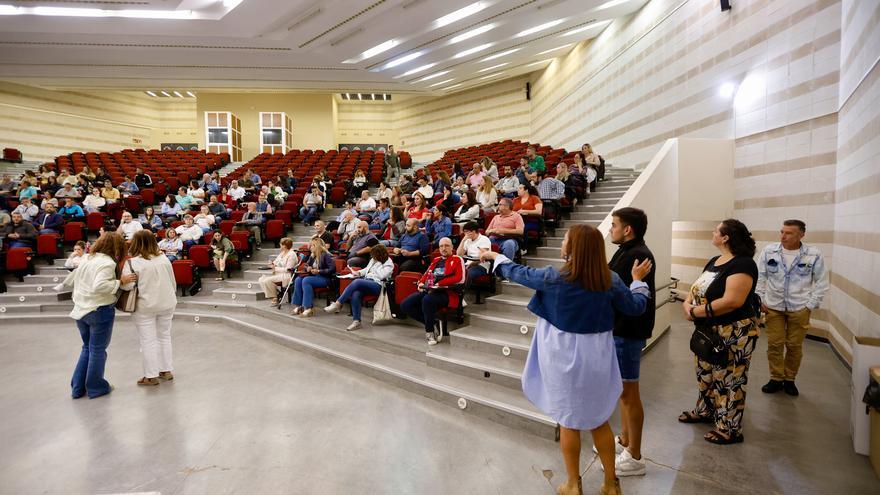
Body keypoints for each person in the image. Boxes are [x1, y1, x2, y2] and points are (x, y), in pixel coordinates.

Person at [481, 224, 652, 495]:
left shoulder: (554, 277)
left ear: (573, 249)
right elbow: (636, 306)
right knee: (599, 420)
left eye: (565, 240)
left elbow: (518, 272)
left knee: (569, 422)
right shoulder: (610, 280)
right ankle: (611, 484)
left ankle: (573, 484)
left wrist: (495, 258)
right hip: (597, 358)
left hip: (562, 359)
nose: (562, 243)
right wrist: (639, 281)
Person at [679, 219, 759, 445]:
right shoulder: (715, 261)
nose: (713, 233)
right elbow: (697, 289)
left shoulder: (743, 264)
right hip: (708, 329)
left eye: (716, 231)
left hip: (734, 331)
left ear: (725, 237)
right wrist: (687, 305)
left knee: (730, 379)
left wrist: (696, 312)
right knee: (706, 374)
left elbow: (733, 301)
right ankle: (706, 410)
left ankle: (729, 428)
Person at [604, 207, 656, 477]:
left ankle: (635, 455)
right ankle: (625, 440)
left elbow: (616, 291)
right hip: (619, 328)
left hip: (627, 330)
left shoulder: (637, 254)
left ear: (627, 229)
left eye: (614, 225)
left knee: (629, 393)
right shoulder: (625, 251)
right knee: (622, 392)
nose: (610, 229)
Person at [756, 219, 828, 396]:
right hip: (773, 307)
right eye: (782, 232)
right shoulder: (769, 251)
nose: (783, 236)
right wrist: (760, 299)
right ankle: (776, 378)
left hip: (800, 308)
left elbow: (822, 282)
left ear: (801, 235)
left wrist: (810, 305)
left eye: (788, 233)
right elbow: (760, 277)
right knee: (775, 344)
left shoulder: (813, 254)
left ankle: (789, 380)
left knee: (794, 346)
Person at [61, 232, 135, 399]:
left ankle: (77, 388)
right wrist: (120, 282)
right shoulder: (107, 263)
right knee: (97, 350)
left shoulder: (87, 258)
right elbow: (99, 286)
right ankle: (96, 388)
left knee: (87, 348)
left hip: (81, 309)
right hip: (98, 310)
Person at [120, 230, 177, 386]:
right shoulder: (164, 258)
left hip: (145, 306)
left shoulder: (132, 263)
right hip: (167, 303)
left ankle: (150, 376)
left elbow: (128, 286)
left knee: (148, 341)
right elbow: (173, 281)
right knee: (164, 336)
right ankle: (166, 370)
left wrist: (122, 281)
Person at [401, 237, 465, 345]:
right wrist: (421, 283)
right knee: (405, 305)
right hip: (430, 290)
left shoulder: (457, 259)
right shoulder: (436, 260)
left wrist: (439, 284)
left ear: (452, 247)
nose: (444, 248)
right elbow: (427, 274)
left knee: (427, 300)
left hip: (447, 293)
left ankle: (430, 332)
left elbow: (460, 278)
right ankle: (433, 322)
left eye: (446, 246)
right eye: (441, 246)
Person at [325, 244, 394, 331]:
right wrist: (359, 273)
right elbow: (366, 269)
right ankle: (356, 321)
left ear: (380, 255)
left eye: (374, 255)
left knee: (357, 281)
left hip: (378, 285)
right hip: (367, 281)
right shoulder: (373, 260)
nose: (372, 257)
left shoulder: (388, 263)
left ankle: (338, 304)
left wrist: (377, 266)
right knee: (356, 293)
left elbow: (381, 275)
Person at [291, 238, 337, 317]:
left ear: (317, 246)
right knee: (298, 280)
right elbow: (306, 265)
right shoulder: (313, 255)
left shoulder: (326, 255)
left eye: (312, 245)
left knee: (306, 280)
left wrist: (319, 271)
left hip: (325, 278)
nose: (310, 247)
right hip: (314, 277)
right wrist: (308, 268)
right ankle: (299, 306)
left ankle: (308, 308)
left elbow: (332, 269)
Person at [257, 238, 300, 305]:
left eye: (281, 244)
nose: (280, 245)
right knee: (261, 279)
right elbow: (275, 262)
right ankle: (277, 294)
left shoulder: (292, 255)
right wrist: (272, 264)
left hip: (286, 275)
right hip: (278, 274)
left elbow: (288, 269)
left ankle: (275, 297)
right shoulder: (282, 253)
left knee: (267, 280)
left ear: (284, 246)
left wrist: (275, 268)